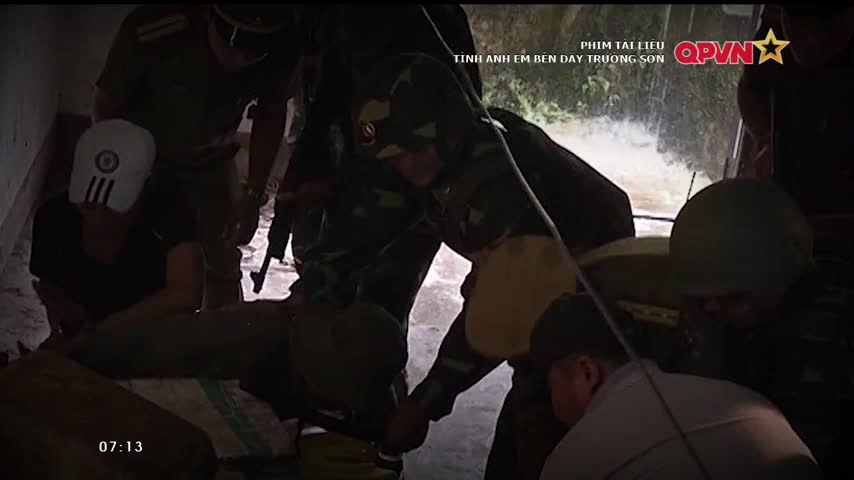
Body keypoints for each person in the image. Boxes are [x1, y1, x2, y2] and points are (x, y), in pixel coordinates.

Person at [341, 52, 635, 479]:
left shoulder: (495, 187)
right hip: (544, 284)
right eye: (393, 155)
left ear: (448, 129)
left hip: (593, 304)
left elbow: (498, 315)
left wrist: (424, 403)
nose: (403, 165)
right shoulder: (441, 158)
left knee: (539, 437)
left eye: (413, 149)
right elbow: (379, 228)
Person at [275, 4, 483, 331]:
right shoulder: (333, 19)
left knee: (378, 311)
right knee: (324, 301)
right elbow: (326, 98)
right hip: (357, 164)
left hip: (410, 182)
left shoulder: (433, 21)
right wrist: (306, 171)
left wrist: (318, 283)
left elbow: (420, 165)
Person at [93, 4, 300, 308]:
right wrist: (116, 180)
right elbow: (107, 106)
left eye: (257, 46)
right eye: (234, 37)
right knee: (125, 257)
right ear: (207, 14)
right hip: (141, 160)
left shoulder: (282, 45)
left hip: (210, 161)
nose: (242, 56)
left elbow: (271, 112)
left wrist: (253, 195)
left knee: (223, 259)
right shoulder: (155, 30)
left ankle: (219, 330)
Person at [670, 177, 854, 477]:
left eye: (733, 298)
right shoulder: (733, 295)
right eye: (702, 299)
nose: (712, 309)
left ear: (778, 279)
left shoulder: (824, 338)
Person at [529, 293, 821, 480]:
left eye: (550, 387)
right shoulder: (748, 401)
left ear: (586, 372)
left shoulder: (578, 456)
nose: (552, 403)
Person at [29, 119, 203, 349]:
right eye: (88, 205)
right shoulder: (52, 219)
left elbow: (186, 294)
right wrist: (66, 325)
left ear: (146, 187)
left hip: (150, 335)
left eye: (113, 209)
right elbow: (51, 289)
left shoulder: (170, 215)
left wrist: (101, 333)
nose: (99, 220)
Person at [737, 4, 854, 259]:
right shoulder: (774, 32)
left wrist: (811, 229)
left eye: (827, 31)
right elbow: (750, 88)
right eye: (798, 26)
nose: (810, 41)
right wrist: (765, 138)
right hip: (784, 213)